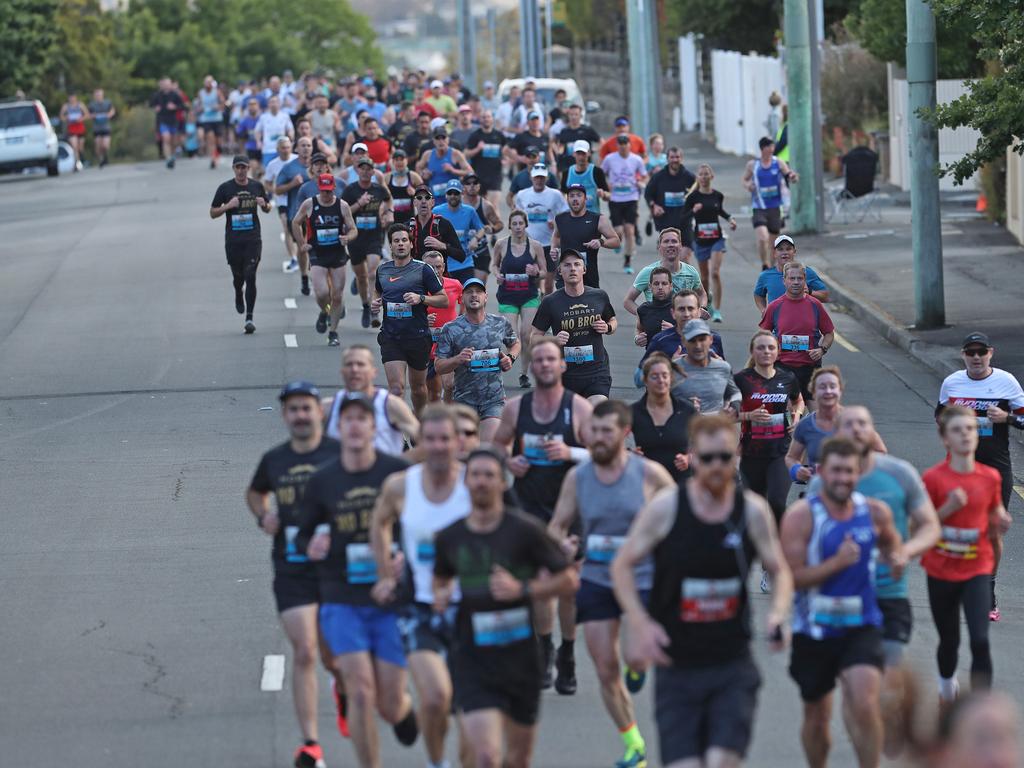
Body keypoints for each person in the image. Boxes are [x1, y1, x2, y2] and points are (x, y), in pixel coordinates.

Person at [612, 413, 793, 768]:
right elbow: (622, 565)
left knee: (722, 761)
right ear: (692, 456)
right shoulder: (667, 508)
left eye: (724, 458)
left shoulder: (752, 511)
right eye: (707, 458)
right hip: (677, 664)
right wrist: (640, 623)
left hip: (731, 663)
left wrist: (777, 614)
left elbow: (779, 568)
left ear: (736, 455)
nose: (716, 466)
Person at [432, 446, 579, 768]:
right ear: (465, 482)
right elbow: (440, 581)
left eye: (489, 475)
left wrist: (523, 588)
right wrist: (441, 598)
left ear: (503, 483)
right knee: (485, 756)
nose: (482, 482)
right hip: (472, 658)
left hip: (520, 660)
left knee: (518, 759)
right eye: (476, 476)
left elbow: (568, 581)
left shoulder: (525, 531)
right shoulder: (450, 537)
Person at [548, 400, 674, 768]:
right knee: (605, 668)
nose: (599, 438)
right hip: (597, 579)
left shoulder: (650, 475)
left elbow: (679, 518)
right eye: (594, 432)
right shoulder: (578, 477)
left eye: (607, 432)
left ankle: (638, 665)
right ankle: (634, 744)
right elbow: (557, 525)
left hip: (643, 582)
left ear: (624, 433)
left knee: (633, 657)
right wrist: (563, 546)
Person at [809, 405, 940, 756]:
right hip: (841, 596)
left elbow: (930, 525)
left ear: (872, 430)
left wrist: (905, 551)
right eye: (848, 424)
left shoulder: (899, 473)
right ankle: (865, 750)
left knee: (884, 685)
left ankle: (888, 716)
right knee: (856, 693)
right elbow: (808, 536)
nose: (856, 430)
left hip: (888, 593)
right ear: (837, 433)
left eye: (862, 424)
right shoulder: (824, 482)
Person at [299, 395, 419, 768]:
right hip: (341, 595)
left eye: (361, 420)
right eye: (346, 420)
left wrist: (402, 558)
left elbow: (416, 528)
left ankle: (402, 710)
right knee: (361, 693)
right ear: (337, 429)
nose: (353, 426)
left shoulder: (394, 474)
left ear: (373, 428)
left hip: (388, 598)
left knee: (388, 702)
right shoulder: (322, 480)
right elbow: (301, 534)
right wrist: (312, 543)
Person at [780, 436, 904, 768]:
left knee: (865, 703)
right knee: (817, 717)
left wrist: (896, 558)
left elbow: (893, 544)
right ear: (821, 471)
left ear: (858, 473)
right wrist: (836, 563)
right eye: (835, 471)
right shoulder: (801, 517)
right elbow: (791, 577)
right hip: (814, 628)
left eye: (849, 472)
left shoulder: (875, 513)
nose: (842, 479)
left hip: (861, 625)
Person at [247, 381, 347, 768]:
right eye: (293, 409)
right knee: (304, 651)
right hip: (291, 567)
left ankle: (341, 686)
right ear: (286, 416)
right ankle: (311, 745)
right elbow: (254, 493)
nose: (301, 415)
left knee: (332, 657)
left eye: (307, 408)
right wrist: (263, 515)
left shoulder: (340, 455)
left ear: (318, 412)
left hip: (336, 569)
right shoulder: (275, 460)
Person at [369, 405, 471, 768]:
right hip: (418, 607)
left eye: (446, 439)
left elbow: (504, 533)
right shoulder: (401, 486)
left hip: (470, 609)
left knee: (468, 712)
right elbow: (379, 523)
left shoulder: (476, 485)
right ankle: (437, 762)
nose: (439, 446)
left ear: (458, 442)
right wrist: (386, 571)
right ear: (421, 442)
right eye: (431, 439)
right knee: (434, 698)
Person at [492, 338, 594, 694]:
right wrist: (509, 460)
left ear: (562, 365)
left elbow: (604, 456)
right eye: (539, 360)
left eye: (552, 359)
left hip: (569, 508)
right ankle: (544, 649)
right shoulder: (517, 409)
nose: (546, 365)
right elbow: (497, 445)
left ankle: (567, 652)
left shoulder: (579, 409)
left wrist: (571, 452)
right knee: (539, 587)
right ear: (532, 367)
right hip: (529, 506)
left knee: (567, 588)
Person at [922, 406, 1011, 706]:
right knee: (950, 641)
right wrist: (946, 509)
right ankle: (947, 690)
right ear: (945, 438)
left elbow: (994, 511)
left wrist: (1000, 519)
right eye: (957, 430)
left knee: (980, 640)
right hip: (942, 570)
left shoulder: (990, 478)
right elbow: (917, 527)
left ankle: (979, 711)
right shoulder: (933, 479)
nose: (965, 435)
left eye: (970, 429)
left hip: (977, 568)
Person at [936, 331, 1024, 621]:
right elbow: (940, 416)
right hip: (960, 466)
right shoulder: (952, 383)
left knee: (993, 530)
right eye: (970, 353)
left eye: (981, 352)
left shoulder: (1006, 382)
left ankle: (988, 591)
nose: (976, 358)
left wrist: (1007, 418)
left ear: (991, 353)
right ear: (962, 355)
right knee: (956, 525)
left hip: (995, 467)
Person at [372, 225, 449, 414]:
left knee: (419, 389)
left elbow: (443, 299)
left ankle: (419, 424)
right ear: (390, 245)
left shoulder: (423, 269)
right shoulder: (383, 270)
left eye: (404, 240)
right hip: (391, 337)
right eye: (396, 241)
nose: (400, 244)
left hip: (417, 337)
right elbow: (378, 291)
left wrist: (421, 298)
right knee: (396, 389)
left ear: (410, 243)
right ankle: (398, 436)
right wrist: (376, 304)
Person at [734, 330, 804, 536]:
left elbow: (798, 399)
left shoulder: (787, 377)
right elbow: (726, 415)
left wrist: (797, 416)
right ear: (752, 352)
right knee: (752, 507)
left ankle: (780, 547)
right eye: (761, 348)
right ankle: (755, 550)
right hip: (751, 452)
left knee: (776, 501)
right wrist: (749, 416)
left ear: (778, 352)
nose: (766, 352)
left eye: (771, 347)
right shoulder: (741, 379)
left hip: (781, 450)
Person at [435, 278, 521, 441]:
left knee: (490, 446)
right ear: (462, 298)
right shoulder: (451, 329)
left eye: (478, 292)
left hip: (493, 400)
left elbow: (515, 343)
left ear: (486, 297)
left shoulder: (500, 323)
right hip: (463, 400)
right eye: (469, 292)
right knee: (466, 450)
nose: (474, 295)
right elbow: (439, 366)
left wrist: (510, 358)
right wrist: (458, 359)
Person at [531, 250, 617, 403]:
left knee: (596, 411)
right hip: (564, 374)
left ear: (584, 270)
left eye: (577, 264)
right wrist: (553, 340)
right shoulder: (550, 302)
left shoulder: (599, 296)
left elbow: (613, 321)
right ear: (559, 271)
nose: (572, 268)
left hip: (596, 372)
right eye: (567, 265)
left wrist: (607, 327)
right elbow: (534, 337)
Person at [291, 173, 358, 346]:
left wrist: (348, 238)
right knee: (321, 293)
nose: (326, 195)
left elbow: (353, 229)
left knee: (337, 295)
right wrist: (301, 243)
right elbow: (295, 222)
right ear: (319, 189)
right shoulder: (310, 204)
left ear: (334, 188)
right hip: (317, 253)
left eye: (329, 191)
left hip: (337, 253)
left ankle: (333, 332)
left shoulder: (342, 206)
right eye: (323, 191)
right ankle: (325, 311)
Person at [209, 155, 271, 334]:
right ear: (233, 169)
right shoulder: (225, 188)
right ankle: (238, 291)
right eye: (238, 167)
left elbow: (268, 208)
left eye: (244, 167)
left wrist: (264, 205)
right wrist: (228, 206)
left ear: (249, 168)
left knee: (250, 274)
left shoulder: (256, 186)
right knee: (238, 276)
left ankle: (249, 317)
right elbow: (212, 213)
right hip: (233, 240)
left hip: (253, 238)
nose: (241, 170)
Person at [759, 262, 835, 406]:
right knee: (785, 414)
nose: (795, 282)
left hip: (809, 368)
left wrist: (822, 349)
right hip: (782, 368)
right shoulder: (775, 306)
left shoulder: (815, 305)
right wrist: (772, 348)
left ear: (805, 280)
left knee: (816, 416)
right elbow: (763, 334)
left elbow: (829, 333)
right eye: (791, 278)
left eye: (799, 278)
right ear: (784, 280)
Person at [324, 344, 420, 454]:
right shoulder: (328, 408)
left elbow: (426, 443)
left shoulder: (391, 405)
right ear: (342, 371)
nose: (354, 369)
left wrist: (398, 464)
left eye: (361, 364)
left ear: (373, 372)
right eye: (349, 364)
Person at [492, 211, 547, 389]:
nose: (517, 227)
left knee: (526, 335)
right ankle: (509, 362)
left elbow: (545, 271)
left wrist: (536, 272)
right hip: (507, 295)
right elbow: (494, 264)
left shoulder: (535, 246)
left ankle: (524, 373)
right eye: (514, 224)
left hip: (529, 295)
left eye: (520, 223)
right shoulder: (501, 244)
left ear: (525, 225)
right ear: (510, 226)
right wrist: (497, 274)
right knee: (512, 336)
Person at [681, 163, 737, 323]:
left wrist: (730, 219)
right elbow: (682, 218)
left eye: (707, 174)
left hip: (717, 239)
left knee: (715, 273)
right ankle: (707, 303)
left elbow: (720, 211)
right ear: (698, 178)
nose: (704, 177)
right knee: (704, 277)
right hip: (700, 240)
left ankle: (718, 310)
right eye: (701, 174)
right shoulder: (692, 198)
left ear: (711, 177)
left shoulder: (717, 195)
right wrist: (694, 211)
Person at [342, 158, 395, 328]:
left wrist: (388, 213)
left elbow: (388, 199)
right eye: (362, 168)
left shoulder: (379, 189)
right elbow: (344, 212)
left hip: (374, 235)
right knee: (361, 276)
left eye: (368, 169)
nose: (365, 172)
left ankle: (374, 308)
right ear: (357, 171)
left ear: (373, 172)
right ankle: (365, 305)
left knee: (372, 272)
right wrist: (360, 203)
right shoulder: (350, 190)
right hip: (356, 237)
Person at [630, 353, 696, 482]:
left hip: (681, 483)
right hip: (647, 481)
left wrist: (689, 457)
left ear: (671, 378)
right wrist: (629, 454)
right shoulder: (633, 412)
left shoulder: (686, 410)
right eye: (654, 376)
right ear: (645, 380)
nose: (661, 380)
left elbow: (705, 443)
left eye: (664, 375)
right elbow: (615, 441)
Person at [551, 183, 619, 292]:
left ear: (585, 198)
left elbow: (616, 241)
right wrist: (553, 249)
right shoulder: (560, 219)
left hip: (589, 277)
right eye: (571, 196)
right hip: (565, 277)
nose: (575, 199)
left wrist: (601, 242)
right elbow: (556, 237)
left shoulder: (598, 219)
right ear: (567, 199)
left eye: (579, 195)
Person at [743, 136, 799, 270]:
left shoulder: (778, 162)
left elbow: (788, 174)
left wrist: (792, 177)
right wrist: (748, 185)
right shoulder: (753, 165)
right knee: (762, 237)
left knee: (773, 242)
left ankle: (772, 266)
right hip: (759, 207)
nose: (772, 149)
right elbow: (744, 180)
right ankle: (765, 265)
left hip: (775, 207)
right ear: (763, 148)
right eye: (769, 147)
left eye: (773, 147)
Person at [622, 228, 706, 316]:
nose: (670, 245)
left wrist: (701, 309)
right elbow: (628, 301)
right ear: (659, 247)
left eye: (674, 241)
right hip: (656, 327)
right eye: (666, 241)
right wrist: (646, 315)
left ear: (680, 246)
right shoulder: (648, 272)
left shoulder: (691, 272)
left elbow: (702, 294)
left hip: (683, 326)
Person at [514, 165, 570, 293]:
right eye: (536, 177)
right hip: (530, 244)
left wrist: (556, 223)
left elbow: (566, 216)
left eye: (542, 177)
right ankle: (536, 309)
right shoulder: (522, 195)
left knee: (549, 284)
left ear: (547, 178)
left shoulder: (555, 195)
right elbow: (517, 217)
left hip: (549, 245)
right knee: (534, 281)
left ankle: (546, 308)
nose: (539, 180)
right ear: (531, 177)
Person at [672, 319, 742, 415]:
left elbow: (734, 393)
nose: (698, 345)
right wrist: (682, 406)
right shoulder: (672, 369)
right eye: (692, 341)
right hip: (682, 428)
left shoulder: (723, 367)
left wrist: (735, 404)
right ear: (683, 341)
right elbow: (655, 402)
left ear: (711, 340)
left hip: (715, 427)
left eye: (702, 339)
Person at [641, 289, 725, 367]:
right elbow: (639, 376)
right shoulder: (660, 340)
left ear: (699, 312)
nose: (686, 314)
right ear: (673, 313)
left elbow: (728, 379)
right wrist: (671, 366)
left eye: (690, 308)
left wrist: (720, 366)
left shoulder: (714, 338)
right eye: (681, 309)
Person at [601, 134, 648, 274]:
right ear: (617, 147)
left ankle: (628, 261)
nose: (622, 149)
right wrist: (605, 186)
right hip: (615, 198)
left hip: (631, 198)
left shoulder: (636, 159)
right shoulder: (610, 159)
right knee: (619, 231)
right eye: (620, 146)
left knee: (629, 230)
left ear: (629, 146)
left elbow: (644, 175)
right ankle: (617, 242)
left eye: (625, 146)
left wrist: (641, 182)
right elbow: (600, 173)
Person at [422, 250, 463, 403]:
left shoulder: (455, 285)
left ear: (444, 267)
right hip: (425, 344)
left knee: (450, 385)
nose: (435, 271)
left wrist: (459, 323)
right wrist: (422, 320)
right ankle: (431, 420)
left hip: (448, 344)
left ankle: (448, 416)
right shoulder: (416, 287)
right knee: (431, 390)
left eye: (438, 267)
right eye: (430, 267)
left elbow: (463, 306)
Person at [643, 147, 696, 260]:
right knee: (669, 261)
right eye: (672, 157)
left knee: (684, 259)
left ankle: (685, 277)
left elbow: (699, 195)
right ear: (667, 159)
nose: (675, 160)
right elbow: (648, 194)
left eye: (677, 157)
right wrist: (654, 206)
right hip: (665, 223)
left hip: (685, 223)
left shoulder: (690, 177)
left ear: (681, 158)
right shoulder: (658, 177)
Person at [753, 235, 830, 312]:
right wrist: (763, 310)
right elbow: (758, 295)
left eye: (788, 249)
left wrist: (809, 292)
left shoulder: (806, 272)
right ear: (774, 253)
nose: (785, 253)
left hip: (801, 320)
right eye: (780, 249)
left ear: (794, 252)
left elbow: (825, 297)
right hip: (776, 322)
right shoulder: (766, 275)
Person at [432, 179, 486, 284]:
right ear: (446, 195)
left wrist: (475, 239)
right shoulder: (436, 211)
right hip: (445, 264)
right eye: (450, 193)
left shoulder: (469, 211)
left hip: (465, 263)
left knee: (466, 295)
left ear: (462, 194)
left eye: (456, 193)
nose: (453, 196)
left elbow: (481, 229)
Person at [263, 137, 302, 280]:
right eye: (282, 147)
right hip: (283, 201)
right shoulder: (273, 165)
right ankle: (293, 258)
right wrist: (275, 191)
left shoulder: (298, 160)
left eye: (287, 147)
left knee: (300, 228)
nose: (285, 150)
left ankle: (301, 254)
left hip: (298, 200)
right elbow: (267, 183)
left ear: (291, 147)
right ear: (277, 149)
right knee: (287, 227)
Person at [631, 267, 675, 383]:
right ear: (650, 286)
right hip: (653, 366)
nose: (660, 287)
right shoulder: (643, 310)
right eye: (656, 283)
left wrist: (674, 331)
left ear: (671, 286)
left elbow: (692, 336)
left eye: (664, 283)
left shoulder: (679, 309)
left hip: (677, 365)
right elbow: (639, 329)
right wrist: (637, 338)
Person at [409, 184, 467, 265]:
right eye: (419, 198)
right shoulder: (409, 226)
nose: (423, 201)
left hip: (438, 275)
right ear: (414, 202)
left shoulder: (443, 224)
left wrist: (443, 246)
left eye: (427, 198)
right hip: (416, 275)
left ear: (433, 202)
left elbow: (461, 256)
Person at [460, 174, 503, 282]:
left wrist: (492, 229)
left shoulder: (486, 205)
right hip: (461, 252)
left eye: (475, 183)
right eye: (468, 183)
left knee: (478, 286)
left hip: (481, 252)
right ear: (463, 187)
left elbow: (499, 224)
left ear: (479, 186)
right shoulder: (458, 204)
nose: (472, 186)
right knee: (463, 289)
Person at [464, 110, 507, 206]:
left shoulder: (499, 135)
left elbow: (506, 151)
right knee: (478, 208)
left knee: (493, 207)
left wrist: (505, 160)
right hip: (479, 176)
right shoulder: (475, 135)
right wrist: (477, 149)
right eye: (484, 117)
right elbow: (466, 153)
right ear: (480, 120)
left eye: (488, 117)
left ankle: (495, 221)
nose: (486, 119)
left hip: (495, 176)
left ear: (492, 119)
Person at [417, 129, 472, 203]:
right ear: (433, 141)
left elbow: (469, 171)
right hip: (435, 199)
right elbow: (418, 167)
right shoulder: (428, 155)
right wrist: (423, 174)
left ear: (448, 140)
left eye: (443, 138)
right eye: (438, 138)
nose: (441, 141)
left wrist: (453, 170)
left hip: (453, 199)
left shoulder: (455, 154)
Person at [560, 140, 611, 215]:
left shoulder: (597, 171)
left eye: (583, 153)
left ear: (589, 153)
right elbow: (562, 195)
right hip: (573, 218)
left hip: (592, 217)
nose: (581, 157)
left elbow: (609, 196)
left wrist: (603, 194)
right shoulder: (567, 173)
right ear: (574, 154)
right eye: (578, 153)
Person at [554, 104, 601, 177]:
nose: (573, 117)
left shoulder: (587, 130)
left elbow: (602, 142)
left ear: (580, 116)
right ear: (568, 115)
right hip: (568, 168)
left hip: (585, 168)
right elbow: (560, 147)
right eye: (571, 114)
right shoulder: (564, 131)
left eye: (576, 114)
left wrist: (593, 151)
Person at [255, 94, 295, 169]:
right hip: (268, 149)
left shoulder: (285, 116)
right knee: (268, 171)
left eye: (276, 102)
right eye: (271, 102)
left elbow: (290, 129)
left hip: (282, 149)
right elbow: (257, 131)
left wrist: (291, 137)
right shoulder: (263, 117)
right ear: (268, 104)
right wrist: (258, 141)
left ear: (279, 103)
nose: (274, 104)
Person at [385, 149, 423, 226]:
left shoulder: (413, 176)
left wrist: (415, 193)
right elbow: (381, 197)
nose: (399, 162)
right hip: (393, 218)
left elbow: (426, 194)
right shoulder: (387, 177)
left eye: (402, 159)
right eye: (397, 160)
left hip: (409, 218)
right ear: (393, 162)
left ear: (406, 161)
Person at [151, 78, 181, 169]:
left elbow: (183, 106)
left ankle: (172, 156)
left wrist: (174, 107)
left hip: (172, 120)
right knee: (166, 138)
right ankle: (168, 158)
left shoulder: (175, 95)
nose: (166, 86)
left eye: (168, 84)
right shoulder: (157, 95)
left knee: (173, 141)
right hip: (162, 120)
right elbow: (151, 103)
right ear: (162, 85)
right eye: (165, 84)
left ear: (170, 85)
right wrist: (155, 107)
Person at [196, 75, 224, 169]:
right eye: (206, 82)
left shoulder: (217, 92)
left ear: (212, 83)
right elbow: (198, 106)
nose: (207, 84)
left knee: (218, 142)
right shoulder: (201, 93)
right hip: (206, 120)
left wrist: (218, 107)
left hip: (217, 119)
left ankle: (218, 153)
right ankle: (213, 159)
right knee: (210, 139)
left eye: (209, 82)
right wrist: (200, 109)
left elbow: (223, 104)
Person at [88, 88, 115, 168]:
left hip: (106, 127)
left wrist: (109, 115)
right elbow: (88, 114)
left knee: (105, 146)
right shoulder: (92, 105)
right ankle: (101, 159)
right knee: (98, 144)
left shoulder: (107, 103)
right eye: (96, 95)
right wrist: (94, 116)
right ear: (94, 96)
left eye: (99, 95)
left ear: (102, 95)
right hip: (96, 128)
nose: (98, 96)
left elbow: (112, 110)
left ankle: (105, 156)